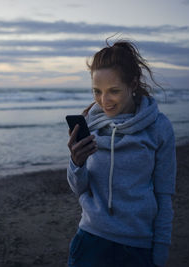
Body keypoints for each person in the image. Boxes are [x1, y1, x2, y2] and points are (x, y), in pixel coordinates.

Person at [66, 39, 176, 267]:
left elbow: (164, 196)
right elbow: (80, 189)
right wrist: (76, 164)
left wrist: (161, 252)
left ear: (133, 84)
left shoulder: (158, 127)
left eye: (113, 91)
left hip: (137, 247)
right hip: (90, 241)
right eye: (97, 91)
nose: (104, 101)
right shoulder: (90, 124)